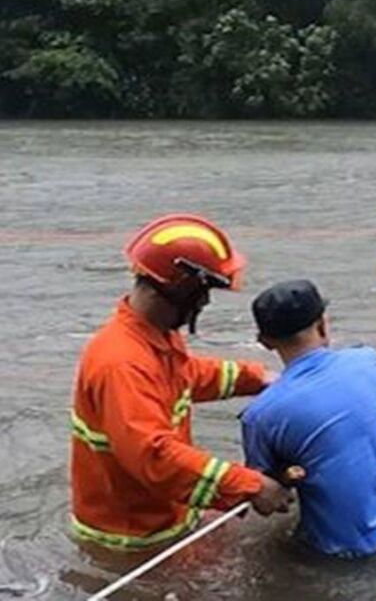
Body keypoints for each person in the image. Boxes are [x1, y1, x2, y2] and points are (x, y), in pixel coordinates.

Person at [69, 214, 293, 550]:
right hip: (133, 540)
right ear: (177, 288)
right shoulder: (121, 363)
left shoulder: (153, 338)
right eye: (203, 292)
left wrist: (259, 378)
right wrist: (250, 486)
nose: (204, 303)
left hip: (166, 517)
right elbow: (154, 456)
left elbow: (185, 376)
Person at [241, 280, 376, 557]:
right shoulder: (369, 360)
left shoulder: (261, 415)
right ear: (323, 324)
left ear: (264, 342)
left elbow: (266, 501)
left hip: (349, 553)